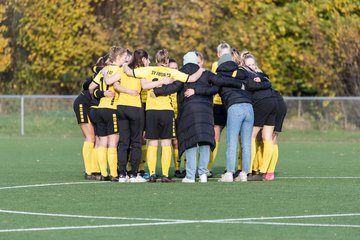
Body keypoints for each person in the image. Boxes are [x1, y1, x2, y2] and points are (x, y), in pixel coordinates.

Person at [122, 49, 205, 182]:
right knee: (166, 142)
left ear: (156, 60)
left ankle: (153, 174)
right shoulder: (172, 72)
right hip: (167, 110)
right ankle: (166, 175)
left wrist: (125, 63)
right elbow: (193, 78)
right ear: (167, 61)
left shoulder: (148, 70)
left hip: (151, 110)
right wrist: (201, 69)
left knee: (152, 143)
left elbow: (128, 72)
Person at [153, 51, 219, 183]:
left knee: (191, 142)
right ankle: (203, 174)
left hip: (188, 111)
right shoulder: (205, 73)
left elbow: (173, 87)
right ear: (196, 61)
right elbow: (216, 87)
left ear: (184, 61)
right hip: (206, 111)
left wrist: (157, 91)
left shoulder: (181, 73)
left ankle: (190, 175)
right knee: (205, 142)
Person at [208, 53, 272, 182]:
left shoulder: (219, 76)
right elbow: (255, 85)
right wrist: (266, 82)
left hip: (235, 107)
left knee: (232, 143)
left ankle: (229, 173)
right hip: (249, 108)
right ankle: (244, 173)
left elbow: (212, 89)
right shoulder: (242, 74)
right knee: (246, 143)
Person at [236, 50, 279, 181]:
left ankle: (248, 171)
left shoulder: (259, 73)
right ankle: (264, 172)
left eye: (253, 64)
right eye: (249, 65)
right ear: (244, 64)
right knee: (266, 137)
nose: (252, 67)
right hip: (271, 102)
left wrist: (258, 81)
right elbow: (252, 84)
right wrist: (259, 82)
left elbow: (267, 83)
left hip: (266, 103)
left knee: (252, 136)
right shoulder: (243, 72)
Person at [91, 46, 128, 181]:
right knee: (112, 144)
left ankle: (103, 173)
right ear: (118, 58)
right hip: (112, 109)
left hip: (100, 109)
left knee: (102, 143)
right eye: (124, 57)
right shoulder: (120, 70)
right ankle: (113, 174)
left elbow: (91, 88)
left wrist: (101, 94)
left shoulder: (103, 70)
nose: (126, 59)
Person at [207, 42, 231, 178]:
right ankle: (208, 167)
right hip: (218, 104)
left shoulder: (235, 66)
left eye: (227, 54)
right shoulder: (216, 65)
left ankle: (232, 167)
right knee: (215, 137)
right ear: (218, 55)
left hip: (231, 104)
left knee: (234, 138)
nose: (225, 57)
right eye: (223, 54)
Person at [168, 58, 186, 178]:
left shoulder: (182, 82)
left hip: (180, 114)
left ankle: (183, 168)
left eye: (176, 68)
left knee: (181, 142)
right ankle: (176, 168)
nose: (174, 70)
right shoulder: (165, 81)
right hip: (168, 114)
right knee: (172, 142)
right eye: (171, 68)